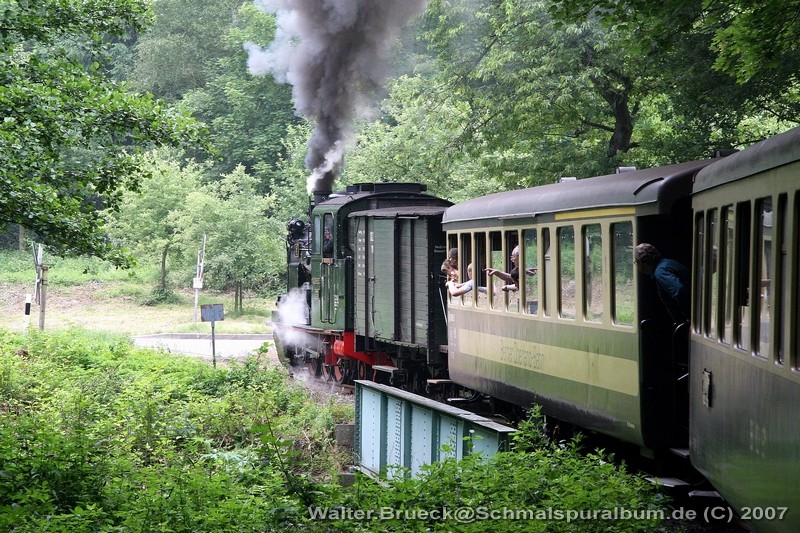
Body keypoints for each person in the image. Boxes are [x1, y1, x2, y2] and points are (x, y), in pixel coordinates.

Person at [634, 243, 690, 323]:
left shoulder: (660, 272)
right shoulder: (667, 263)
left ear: (641, 262)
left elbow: (679, 291)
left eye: (636, 262)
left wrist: (688, 317)